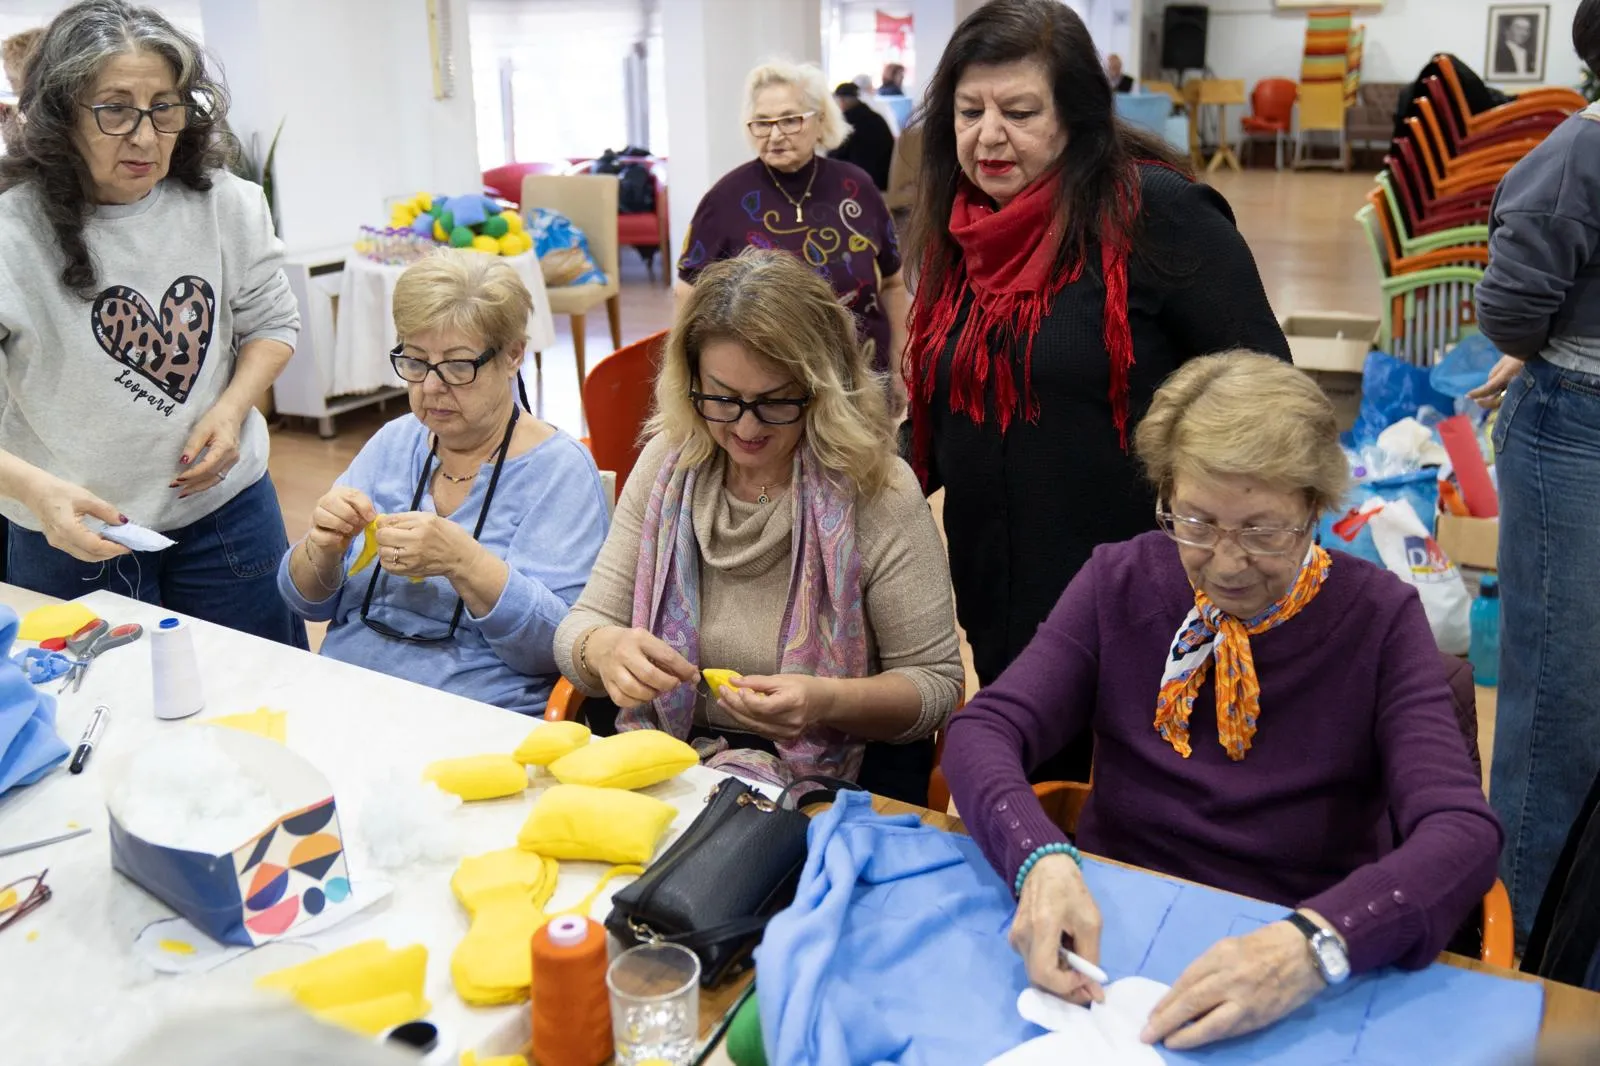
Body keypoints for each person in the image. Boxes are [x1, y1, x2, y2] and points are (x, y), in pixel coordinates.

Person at [943, 352, 1502, 1050]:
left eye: (1263, 532)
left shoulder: (1379, 620)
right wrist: (1039, 858)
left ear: (1314, 508)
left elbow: (1461, 833)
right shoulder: (1120, 580)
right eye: (1197, 523)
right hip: (1112, 938)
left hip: (1286, 960)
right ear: (1167, 496)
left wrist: (1312, 946)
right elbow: (984, 730)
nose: (1228, 563)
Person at [903, 0, 1289, 781]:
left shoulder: (1158, 215)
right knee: (1042, 800)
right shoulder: (962, 229)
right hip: (998, 601)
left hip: (1143, 607)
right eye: (970, 112)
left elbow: (1268, 399)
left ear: (1076, 116)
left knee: (1129, 810)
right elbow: (944, 413)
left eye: (1019, 113)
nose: (988, 136)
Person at [555, 249, 963, 801]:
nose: (746, 428)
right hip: (669, 758)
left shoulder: (876, 491)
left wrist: (825, 702)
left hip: (832, 783)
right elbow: (579, 628)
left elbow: (935, 685)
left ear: (821, 389)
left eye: (774, 402)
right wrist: (603, 649)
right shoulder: (667, 466)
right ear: (690, 381)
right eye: (722, 399)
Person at [0, 0, 305, 647]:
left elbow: (274, 323)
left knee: (261, 686)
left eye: (165, 108)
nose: (145, 136)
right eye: (115, 110)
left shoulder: (226, 203)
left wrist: (230, 410)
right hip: (69, 530)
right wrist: (35, 491)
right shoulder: (11, 237)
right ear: (59, 115)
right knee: (99, 699)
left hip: (226, 513)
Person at [279, 251, 607, 715]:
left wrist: (464, 562)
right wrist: (321, 548)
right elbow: (306, 602)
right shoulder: (394, 442)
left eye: (457, 366)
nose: (431, 387)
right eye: (415, 361)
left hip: (473, 714)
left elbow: (557, 650)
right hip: (345, 696)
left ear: (513, 354)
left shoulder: (560, 472)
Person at [1469, 0, 1600, 948]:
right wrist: (1554, 345)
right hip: (1577, 429)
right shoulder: (1575, 155)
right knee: (1562, 708)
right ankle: (1522, 956)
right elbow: (1514, 308)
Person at [676, 60, 910, 412]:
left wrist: (899, 363)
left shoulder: (858, 188)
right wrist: (701, 383)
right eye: (762, 123)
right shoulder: (725, 199)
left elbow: (893, 282)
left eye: (789, 120)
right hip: (767, 397)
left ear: (820, 120)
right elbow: (688, 294)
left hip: (860, 384)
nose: (774, 135)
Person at [831, 80, 895, 191]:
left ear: (841, 100)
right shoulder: (876, 118)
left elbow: (834, 156)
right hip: (883, 181)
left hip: (856, 185)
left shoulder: (847, 122)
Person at [1, 28, 41, 149]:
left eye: (12, 80)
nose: (12, 89)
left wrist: (13, 138)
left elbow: (34, 152)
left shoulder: (47, 117)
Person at [878, 62, 915, 129]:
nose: (903, 77)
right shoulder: (895, 92)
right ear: (892, 75)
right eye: (900, 74)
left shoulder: (880, 90)